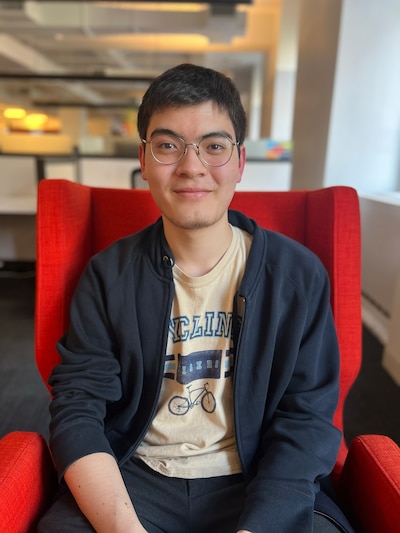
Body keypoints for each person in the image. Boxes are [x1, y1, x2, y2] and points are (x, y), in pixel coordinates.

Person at [38, 63, 354, 533]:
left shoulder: (297, 275)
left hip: (255, 477)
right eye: (168, 146)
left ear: (240, 162)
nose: (192, 166)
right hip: (135, 479)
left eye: (214, 146)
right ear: (143, 161)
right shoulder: (109, 274)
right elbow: (78, 405)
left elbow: (306, 418)